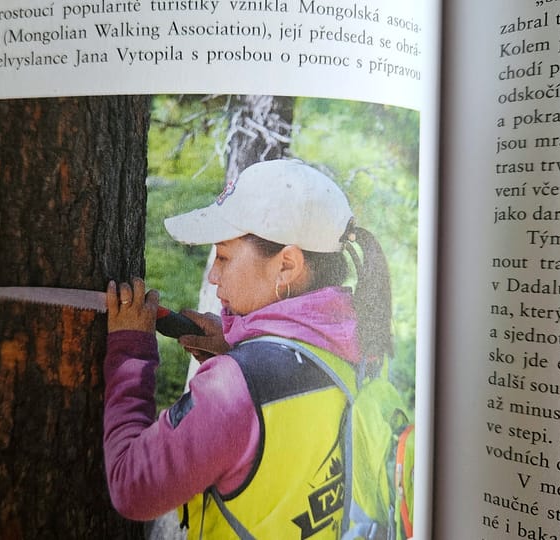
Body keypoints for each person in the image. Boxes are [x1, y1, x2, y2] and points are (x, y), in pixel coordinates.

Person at [103, 159, 394, 539]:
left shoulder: (236, 387)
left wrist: (129, 352)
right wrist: (237, 348)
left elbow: (131, 487)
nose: (213, 274)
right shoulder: (363, 348)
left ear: (287, 266)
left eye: (223, 257)